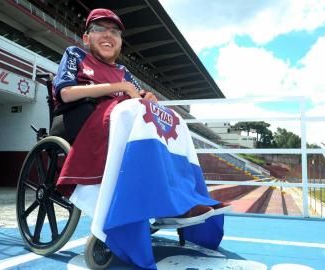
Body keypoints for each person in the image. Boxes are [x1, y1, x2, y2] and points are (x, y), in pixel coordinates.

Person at [53, 9, 230, 225]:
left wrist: (148, 98)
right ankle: (165, 205)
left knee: (172, 120)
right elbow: (66, 93)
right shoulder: (76, 55)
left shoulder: (122, 70)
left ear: (120, 42)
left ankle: (178, 200)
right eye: (100, 29)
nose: (108, 35)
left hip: (122, 124)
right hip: (83, 120)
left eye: (115, 32)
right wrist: (120, 88)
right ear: (86, 38)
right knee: (137, 114)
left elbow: (137, 96)